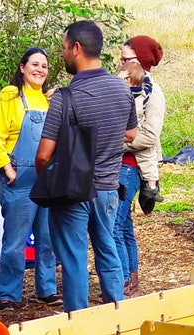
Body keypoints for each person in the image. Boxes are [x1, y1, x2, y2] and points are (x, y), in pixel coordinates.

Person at [37, 20, 137, 312]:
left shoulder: (65, 97)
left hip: (72, 192)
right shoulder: (121, 89)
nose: (62, 54)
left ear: (76, 48)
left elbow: (43, 155)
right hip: (108, 189)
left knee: (74, 260)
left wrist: (49, 178)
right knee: (108, 251)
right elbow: (131, 133)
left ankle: (79, 322)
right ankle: (117, 315)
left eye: (64, 48)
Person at [0, 47, 60, 311]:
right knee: (15, 241)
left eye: (44, 66)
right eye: (34, 64)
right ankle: (8, 293)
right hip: (19, 179)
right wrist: (7, 168)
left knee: (47, 237)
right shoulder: (10, 95)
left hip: (47, 178)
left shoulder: (49, 100)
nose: (40, 70)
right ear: (22, 67)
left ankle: (47, 289)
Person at [115, 35, 165, 295]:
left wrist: (113, 142)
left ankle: (122, 283)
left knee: (113, 226)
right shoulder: (123, 85)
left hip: (131, 166)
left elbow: (149, 136)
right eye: (121, 58)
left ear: (141, 62)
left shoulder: (152, 93)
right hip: (115, 165)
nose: (121, 63)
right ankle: (131, 283)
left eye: (126, 59)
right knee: (123, 226)